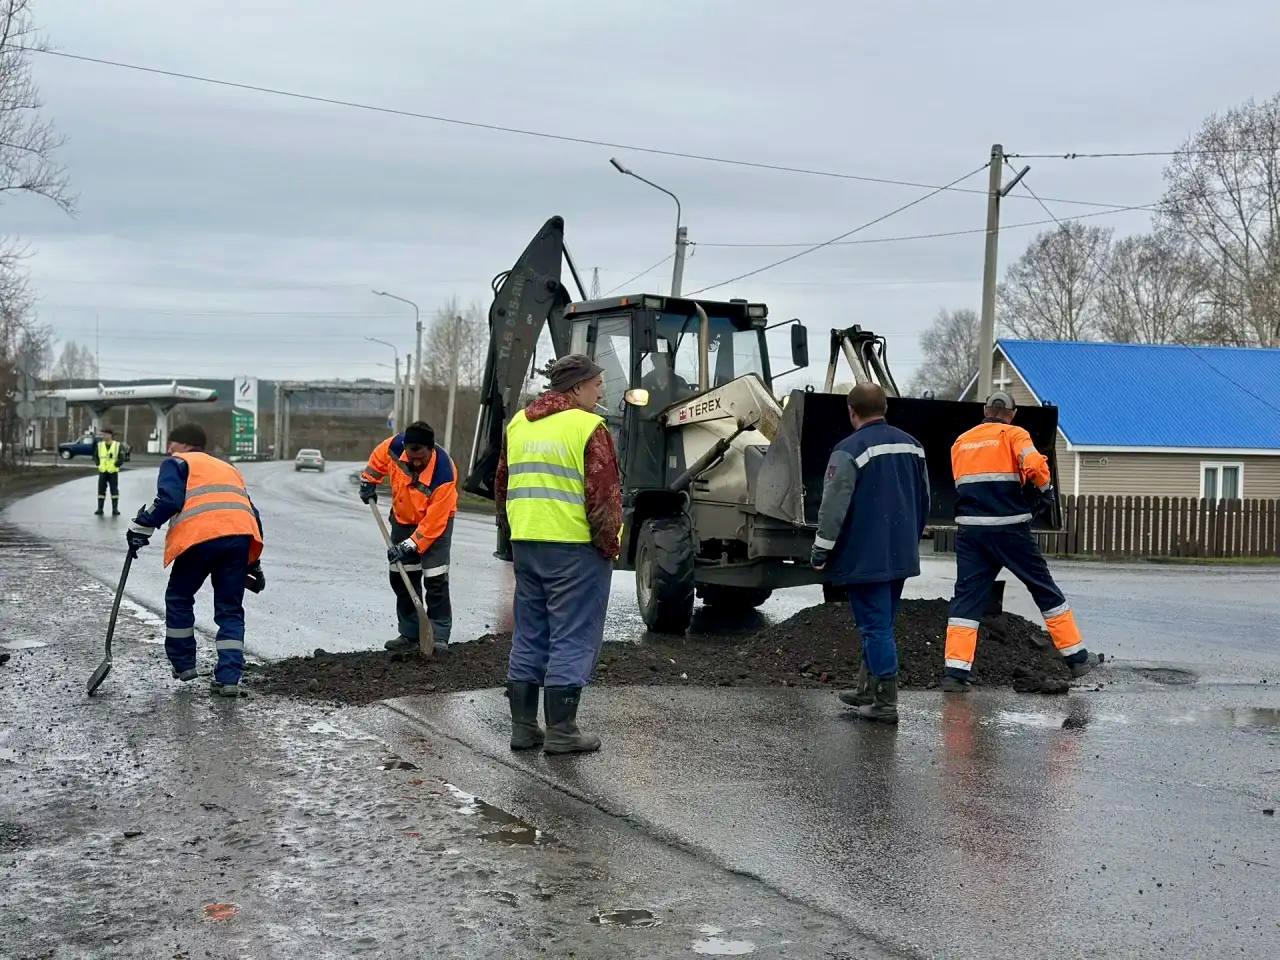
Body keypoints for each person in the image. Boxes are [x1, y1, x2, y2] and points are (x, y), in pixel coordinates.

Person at [495, 354, 622, 755]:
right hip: (574, 548)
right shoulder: (588, 427)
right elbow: (603, 498)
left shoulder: (518, 424)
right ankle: (563, 731)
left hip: (528, 544)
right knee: (572, 634)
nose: (601, 390)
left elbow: (503, 485)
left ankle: (523, 728)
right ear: (577, 387)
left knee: (531, 632)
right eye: (597, 383)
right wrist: (609, 545)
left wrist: (512, 537)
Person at [943, 391, 1096, 692]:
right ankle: (1076, 658)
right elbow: (1036, 466)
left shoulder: (961, 441)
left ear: (985, 410)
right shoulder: (1014, 434)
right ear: (1011, 414)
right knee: (1042, 587)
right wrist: (1044, 489)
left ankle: (955, 674)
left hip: (971, 532)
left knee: (967, 598)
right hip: (1010, 529)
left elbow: (962, 482)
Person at [810, 383, 930, 724]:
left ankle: (885, 702)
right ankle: (866, 688)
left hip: (865, 556)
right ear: (885, 407)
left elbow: (833, 508)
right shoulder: (914, 446)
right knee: (883, 622)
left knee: (875, 627)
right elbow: (924, 498)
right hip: (901, 553)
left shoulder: (848, 450)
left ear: (851, 410)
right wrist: (911, 537)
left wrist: (821, 551)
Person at [125, 423, 265, 698]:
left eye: (173, 443)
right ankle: (229, 679)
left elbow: (168, 500)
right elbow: (251, 511)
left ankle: (184, 664)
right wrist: (253, 562)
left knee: (179, 596)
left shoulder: (177, 463)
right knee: (230, 610)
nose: (169, 449)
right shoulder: (228, 468)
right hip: (239, 538)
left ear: (186, 446)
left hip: (199, 538)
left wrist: (141, 527)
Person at [359, 421, 456, 658]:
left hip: (436, 525)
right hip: (402, 519)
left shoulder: (444, 472)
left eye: (420, 457)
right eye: (411, 456)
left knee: (435, 579)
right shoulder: (394, 446)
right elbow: (378, 461)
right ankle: (410, 632)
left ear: (431, 449)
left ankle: (439, 635)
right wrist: (368, 481)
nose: (414, 462)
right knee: (402, 576)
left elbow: (434, 523)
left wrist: (410, 545)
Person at [93, 428, 124, 516]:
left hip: (113, 471)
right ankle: (100, 509)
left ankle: (115, 509)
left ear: (110, 435)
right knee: (101, 490)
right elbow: (95, 456)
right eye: (103, 434)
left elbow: (121, 458)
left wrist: (116, 465)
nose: (104, 436)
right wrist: (98, 464)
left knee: (114, 490)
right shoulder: (99, 445)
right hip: (103, 471)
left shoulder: (117, 445)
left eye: (106, 434)